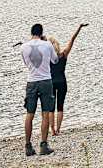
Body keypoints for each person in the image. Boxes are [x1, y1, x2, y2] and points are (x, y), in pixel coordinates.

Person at [21, 23, 58, 156]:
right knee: (45, 113)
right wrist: (46, 42)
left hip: (31, 82)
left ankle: (28, 146)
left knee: (29, 114)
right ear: (41, 33)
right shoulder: (47, 44)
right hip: (45, 81)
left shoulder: (23, 46)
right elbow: (55, 60)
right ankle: (43, 145)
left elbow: (26, 64)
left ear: (31, 33)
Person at [47, 23, 88, 136]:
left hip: (51, 83)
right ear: (57, 45)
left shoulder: (47, 58)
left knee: (51, 108)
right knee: (60, 106)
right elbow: (72, 39)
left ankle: (52, 130)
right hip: (62, 82)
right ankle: (58, 130)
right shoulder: (64, 54)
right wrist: (79, 28)